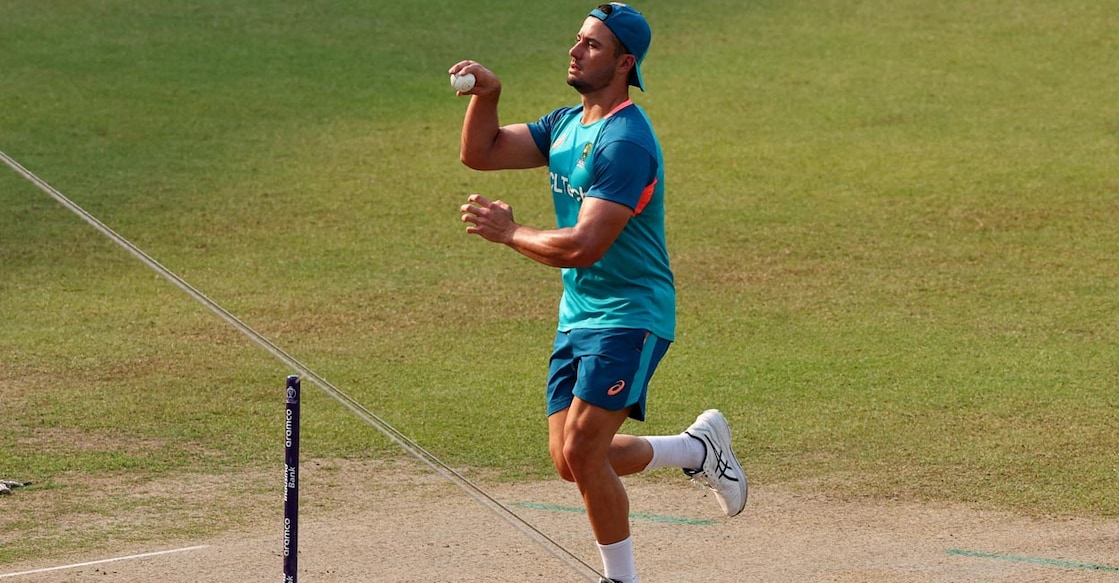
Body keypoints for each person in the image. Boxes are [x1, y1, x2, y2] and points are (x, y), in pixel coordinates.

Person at [449, 4, 747, 582]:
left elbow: (587, 244)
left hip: (633, 313)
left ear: (623, 63)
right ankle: (695, 449)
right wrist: (489, 95)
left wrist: (511, 233)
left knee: (585, 452)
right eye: (578, 40)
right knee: (570, 461)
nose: (575, 50)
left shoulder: (626, 142)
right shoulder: (566, 125)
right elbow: (481, 153)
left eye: (591, 45)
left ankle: (622, 578)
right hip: (579, 314)